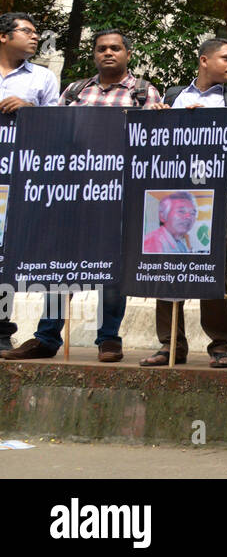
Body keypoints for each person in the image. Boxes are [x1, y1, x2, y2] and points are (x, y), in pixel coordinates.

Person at [4, 28, 163, 363]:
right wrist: (31, 110)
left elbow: (154, 142)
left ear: (127, 54)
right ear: (94, 54)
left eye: (115, 48)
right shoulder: (76, 90)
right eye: (102, 48)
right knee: (61, 263)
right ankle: (46, 338)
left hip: (119, 195)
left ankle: (108, 339)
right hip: (73, 192)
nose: (108, 53)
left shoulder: (143, 92)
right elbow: (54, 131)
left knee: (111, 267)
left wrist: (163, 116)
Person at [142, 37, 227, 368]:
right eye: (226, 58)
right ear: (204, 60)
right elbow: (153, 144)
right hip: (171, 193)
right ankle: (170, 344)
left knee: (216, 268)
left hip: (211, 198)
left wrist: (206, 126)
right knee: (166, 263)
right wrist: (159, 118)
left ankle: (220, 345)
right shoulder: (173, 96)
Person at [0, 12, 59, 350]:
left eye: (37, 32)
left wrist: (29, 109)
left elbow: (56, 125)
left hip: (19, 180)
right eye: (28, 31)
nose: (36, 37)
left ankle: (1, 330)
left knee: (5, 257)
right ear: (4, 36)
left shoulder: (42, 78)